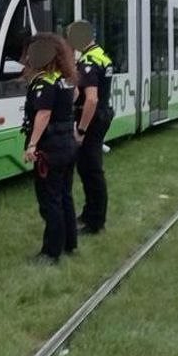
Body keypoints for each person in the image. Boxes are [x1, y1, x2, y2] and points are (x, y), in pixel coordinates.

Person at [21, 34, 79, 264]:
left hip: (50, 148)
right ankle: (69, 242)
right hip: (67, 144)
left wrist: (32, 144)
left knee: (50, 200)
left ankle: (50, 252)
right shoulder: (66, 79)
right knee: (65, 195)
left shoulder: (44, 82)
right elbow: (73, 98)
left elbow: (43, 114)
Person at [67, 21, 114, 236]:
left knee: (91, 168)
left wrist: (81, 130)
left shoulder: (89, 61)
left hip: (92, 119)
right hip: (102, 115)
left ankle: (95, 220)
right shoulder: (101, 55)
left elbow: (91, 99)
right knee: (88, 168)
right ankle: (90, 214)